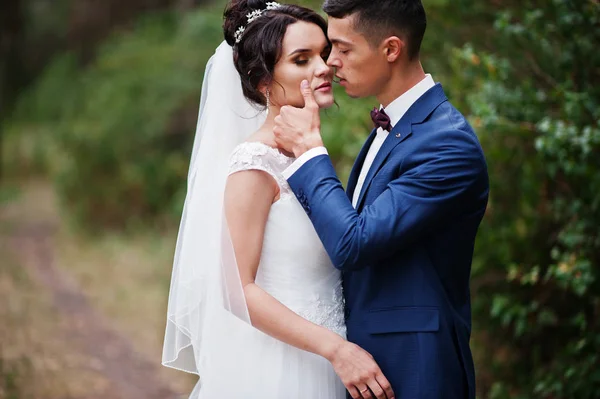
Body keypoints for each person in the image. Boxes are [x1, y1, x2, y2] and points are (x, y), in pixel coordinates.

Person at [162, 1, 394, 398]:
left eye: (323, 54)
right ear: (263, 83)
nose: (323, 68)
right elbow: (238, 291)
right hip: (282, 367)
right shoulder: (254, 164)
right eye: (301, 60)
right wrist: (334, 349)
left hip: (335, 363)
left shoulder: (308, 157)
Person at [273, 0, 489, 398]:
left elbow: (353, 244)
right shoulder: (391, 128)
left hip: (415, 368)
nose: (330, 63)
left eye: (343, 48)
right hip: (364, 367)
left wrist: (308, 151)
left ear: (391, 49)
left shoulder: (447, 144)